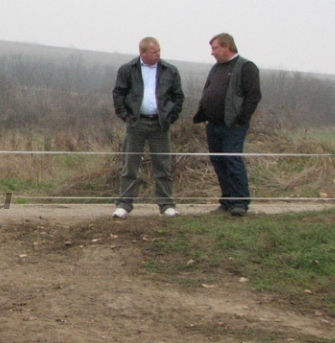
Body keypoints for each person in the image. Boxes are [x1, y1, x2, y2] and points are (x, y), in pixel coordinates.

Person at [111, 37, 185, 218]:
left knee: (163, 165)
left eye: (159, 50)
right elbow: (118, 93)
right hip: (136, 123)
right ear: (142, 52)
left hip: (160, 124)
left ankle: (166, 205)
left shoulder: (170, 71)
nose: (158, 54)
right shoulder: (128, 70)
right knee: (130, 164)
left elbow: (178, 97)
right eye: (154, 51)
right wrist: (125, 115)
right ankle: (124, 204)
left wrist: (170, 117)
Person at [192, 33, 262, 217]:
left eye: (215, 48)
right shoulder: (216, 68)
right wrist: (204, 115)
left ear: (227, 46)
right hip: (213, 125)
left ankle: (240, 202)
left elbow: (253, 96)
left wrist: (240, 120)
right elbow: (208, 90)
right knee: (218, 161)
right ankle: (227, 200)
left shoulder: (246, 67)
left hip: (233, 126)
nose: (212, 53)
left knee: (232, 160)